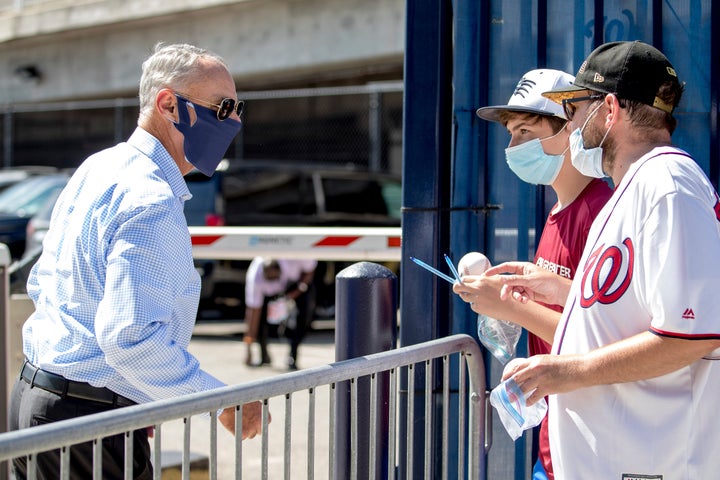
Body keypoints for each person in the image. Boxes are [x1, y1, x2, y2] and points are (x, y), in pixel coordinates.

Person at [9, 43, 265, 479]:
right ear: (168, 104)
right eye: (223, 107)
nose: (235, 120)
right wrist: (219, 400)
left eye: (238, 107)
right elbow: (130, 337)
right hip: (88, 423)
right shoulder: (151, 199)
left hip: (38, 400)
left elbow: (43, 281)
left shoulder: (99, 166)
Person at [485, 41, 720, 479]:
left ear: (608, 109)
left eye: (576, 107)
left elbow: (693, 335)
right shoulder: (637, 185)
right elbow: (637, 311)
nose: (572, 122)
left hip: (657, 463)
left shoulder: (668, 185)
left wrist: (566, 371)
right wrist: (560, 292)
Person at [461, 69, 613, 479]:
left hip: (595, 444)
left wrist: (509, 308)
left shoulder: (601, 211)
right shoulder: (558, 212)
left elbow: (602, 339)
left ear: (569, 130)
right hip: (558, 434)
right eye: (511, 134)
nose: (513, 147)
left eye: (526, 131)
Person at [244, 257, 317, 370]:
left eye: (275, 277)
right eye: (269, 278)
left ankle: (292, 356)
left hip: (295, 286)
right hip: (269, 295)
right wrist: (248, 349)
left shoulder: (293, 260)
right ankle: (263, 355)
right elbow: (253, 314)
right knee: (260, 321)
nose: (272, 282)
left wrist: (293, 295)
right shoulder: (255, 279)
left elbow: (309, 271)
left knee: (302, 317)